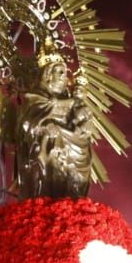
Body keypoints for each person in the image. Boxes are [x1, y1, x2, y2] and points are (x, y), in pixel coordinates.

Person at [15, 52, 94, 199]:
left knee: (79, 160)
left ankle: (72, 200)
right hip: (49, 142)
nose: (64, 76)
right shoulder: (35, 97)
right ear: (48, 74)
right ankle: (48, 198)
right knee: (51, 145)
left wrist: (83, 126)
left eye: (65, 72)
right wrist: (45, 125)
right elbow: (26, 123)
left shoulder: (71, 99)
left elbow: (83, 119)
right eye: (59, 72)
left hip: (74, 141)